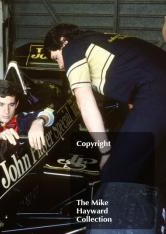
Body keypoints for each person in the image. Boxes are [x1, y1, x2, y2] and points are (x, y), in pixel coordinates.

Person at [44, 23, 166, 230]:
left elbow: (84, 102)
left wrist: (105, 149)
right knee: (157, 163)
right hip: (155, 85)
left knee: (114, 172)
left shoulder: (73, 47)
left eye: (56, 58)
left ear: (63, 41)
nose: (60, 67)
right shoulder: (102, 39)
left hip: (156, 89)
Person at [0, 80, 55, 150]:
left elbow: (49, 111)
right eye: (1, 104)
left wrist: (39, 121)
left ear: (16, 104)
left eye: (11, 105)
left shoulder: (21, 119)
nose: (6, 111)